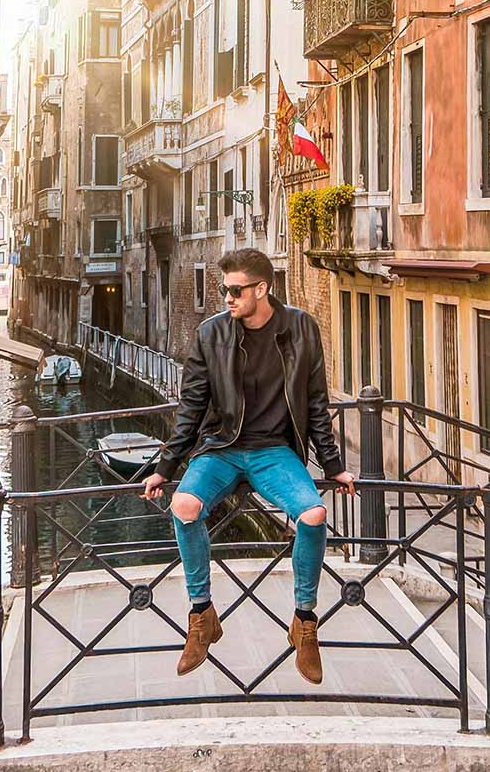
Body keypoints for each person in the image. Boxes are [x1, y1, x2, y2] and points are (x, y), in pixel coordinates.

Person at [140, 248, 355, 685]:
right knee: (184, 506)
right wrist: (165, 466)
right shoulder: (210, 334)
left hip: (275, 451)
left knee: (314, 516)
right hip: (219, 448)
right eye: (223, 290)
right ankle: (202, 616)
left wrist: (332, 465)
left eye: (235, 291)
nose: (227, 298)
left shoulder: (301, 328)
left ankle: (304, 622)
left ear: (262, 289)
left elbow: (316, 403)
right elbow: (192, 407)